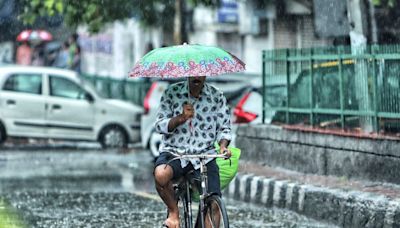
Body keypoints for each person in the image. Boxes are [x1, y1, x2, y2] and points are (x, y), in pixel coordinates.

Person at [153, 76, 232, 228]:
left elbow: (225, 128)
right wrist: (180, 118)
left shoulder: (216, 96)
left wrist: (223, 146)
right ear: (188, 74)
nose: (197, 76)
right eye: (193, 72)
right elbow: (159, 126)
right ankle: (174, 213)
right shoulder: (172, 92)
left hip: (204, 156)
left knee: (214, 204)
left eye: (200, 73)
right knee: (161, 175)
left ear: (206, 75)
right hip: (175, 153)